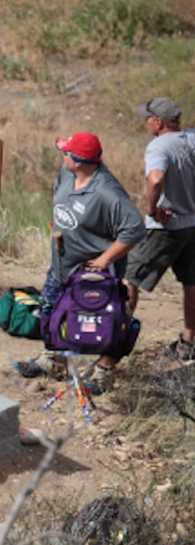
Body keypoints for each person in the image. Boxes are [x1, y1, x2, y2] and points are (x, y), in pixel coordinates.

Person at [15, 132, 146, 392]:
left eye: (66, 152)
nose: (62, 155)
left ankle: (103, 373)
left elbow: (134, 230)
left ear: (79, 160)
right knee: (52, 310)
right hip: (62, 266)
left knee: (106, 321)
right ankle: (53, 360)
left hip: (95, 275)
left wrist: (104, 259)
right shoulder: (68, 174)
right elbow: (57, 195)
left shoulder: (108, 193)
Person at [123, 97, 195, 364]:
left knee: (129, 278)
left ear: (158, 122)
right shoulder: (191, 137)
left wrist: (153, 210)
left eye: (148, 118)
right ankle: (189, 342)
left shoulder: (158, 146)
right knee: (191, 283)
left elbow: (155, 179)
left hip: (167, 226)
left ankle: (116, 342)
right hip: (193, 224)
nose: (146, 122)